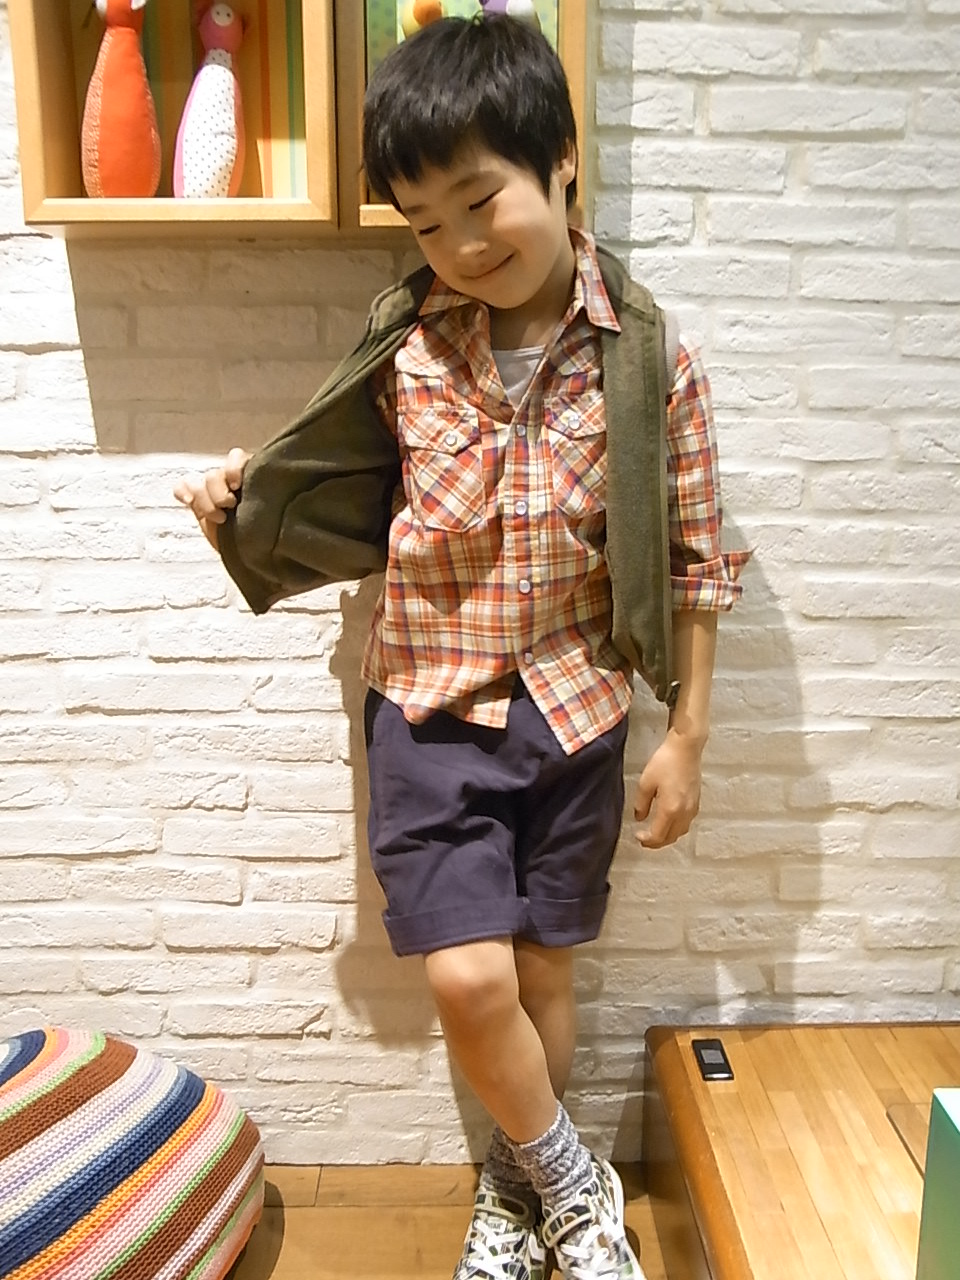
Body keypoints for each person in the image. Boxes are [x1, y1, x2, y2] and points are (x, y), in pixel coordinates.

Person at [174, 15, 747, 1280]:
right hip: (429, 709)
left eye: (482, 202)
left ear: (561, 161)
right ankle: (576, 1183)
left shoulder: (649, 361)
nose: (463, 245)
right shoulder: (408, 345)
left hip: (578, 711)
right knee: (469, 977)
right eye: (427, 223)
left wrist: (690, 737)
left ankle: (511, 1191)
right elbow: (324, 486)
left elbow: (699, 560)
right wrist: (241, 502)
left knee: (542, 976)